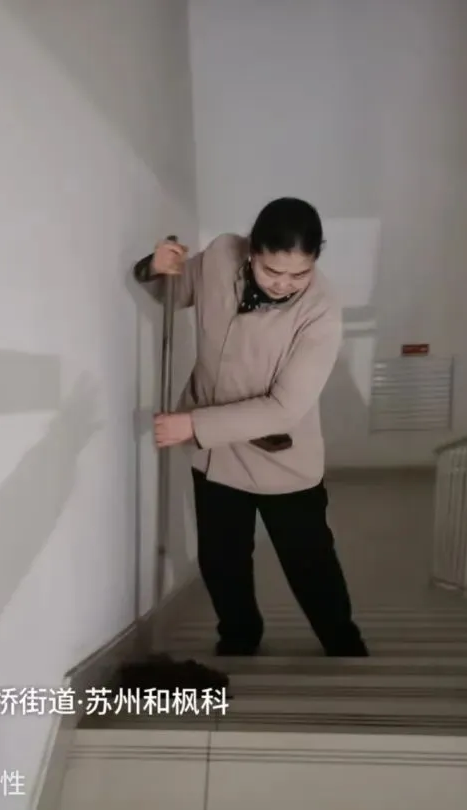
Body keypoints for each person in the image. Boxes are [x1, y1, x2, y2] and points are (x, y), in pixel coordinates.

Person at [133, 197, 368, 657]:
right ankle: (239, 637)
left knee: (309, 562)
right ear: (251, 249)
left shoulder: (321, 310)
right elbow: (173, 293)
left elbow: (284, 408)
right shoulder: (221, 255)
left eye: (299, 274)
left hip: (279, 456)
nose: (283, 284)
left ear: (316, 259)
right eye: (271, 271)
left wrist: (192, 424)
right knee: (222, 560)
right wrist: (156, 267)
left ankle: (342, 642)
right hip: (215, 457)